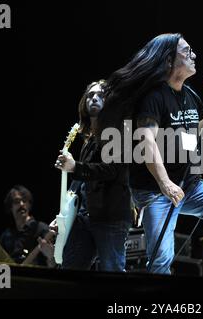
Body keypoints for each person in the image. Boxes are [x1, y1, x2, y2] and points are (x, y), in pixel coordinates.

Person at [98, 33, 203, 277]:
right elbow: (147, 140)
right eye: (187, 51)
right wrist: (165, 184)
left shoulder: (189, 95)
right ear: (170, 60)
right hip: (154, 189)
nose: (194, 55)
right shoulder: (154, 97)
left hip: (190, 185)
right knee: (161, 257)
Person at [54, 80, 133, 272]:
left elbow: (112, 170)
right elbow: (80, 181)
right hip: (84, 217)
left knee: (111, 273)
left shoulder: (119, 132)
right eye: (90, 95)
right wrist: (63, 215)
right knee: (70, 269)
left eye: (100, 95)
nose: (94, 98)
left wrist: (76, 167)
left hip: (110, 217)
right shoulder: (89, 140)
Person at [0, 185, 56, 267]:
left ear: (29, 204)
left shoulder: (42, 229)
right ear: (10, 207)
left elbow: (55, 265)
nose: (21, 204)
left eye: (24, 200)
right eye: (16, 201)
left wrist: (51, 257)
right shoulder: (6, 236)